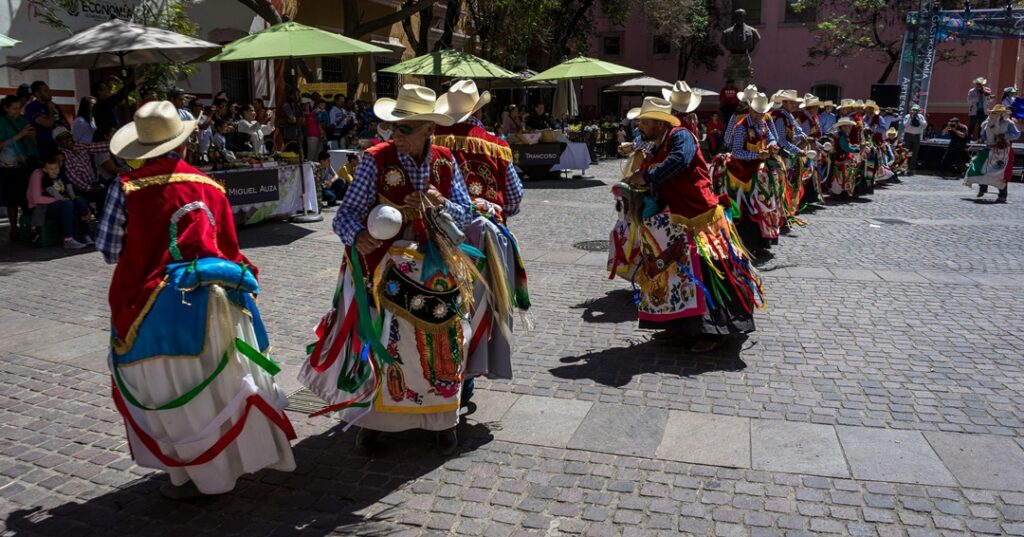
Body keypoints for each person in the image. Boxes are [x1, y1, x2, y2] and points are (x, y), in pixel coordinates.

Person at [95, 101, 296, 499]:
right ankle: (228, 465)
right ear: (183, 145)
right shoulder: (213, 186)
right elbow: (229, 247)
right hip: (218, 300)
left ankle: (186, 475)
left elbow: (109, 249)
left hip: (151, 305)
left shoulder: (127, 188)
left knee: (169, 386)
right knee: (220, 382)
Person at [299, 84, 475, 456]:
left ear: (430, 127)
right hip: (382, 272)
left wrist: (440, 204)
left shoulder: (445, 161)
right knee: (388, 345)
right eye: (394, 127)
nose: (395, 135)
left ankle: (442, 420)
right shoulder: (374, 160)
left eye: (405, 128)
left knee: (440, 343)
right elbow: (344, 215)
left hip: (435, 271)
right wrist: (359, 234)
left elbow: (467, 214)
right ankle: (376, 423)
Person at [612, 96, 763, 352]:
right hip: (675, 221)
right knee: (678, 275)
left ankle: (714, 332)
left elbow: (680, 162)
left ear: (659, 123)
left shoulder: (681, 136)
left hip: (699, 217)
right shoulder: (655, 144)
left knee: (708, 271)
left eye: (645, 122)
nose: (640, 126)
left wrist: (647, 176)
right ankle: (679, 327)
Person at [434, 80, 528, 403]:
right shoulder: (496, 144)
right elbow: (514, 199)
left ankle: (444, 377)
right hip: (488, 240)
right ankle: (468, 378)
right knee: (481, 307)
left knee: (445, 307)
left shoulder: (432, 138)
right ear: (481, 109)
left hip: (442, 235)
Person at [716, 92, 781, 252]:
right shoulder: (741, 127)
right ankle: (747, 239)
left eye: (762, 112)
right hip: (741, 170)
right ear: (751, 110)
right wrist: (756, 154)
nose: (760, 115)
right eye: (757, 111)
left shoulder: (763, 124)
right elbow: (736, 151)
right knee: (749, 202)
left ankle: (763, 237)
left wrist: (772, 145)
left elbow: (772, 137)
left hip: (758, 166)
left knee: (765, 195)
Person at [26, 154, 93, 248]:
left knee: (80, 201)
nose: (60, 164)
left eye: (61, 162)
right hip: (40, 207)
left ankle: (86, 235)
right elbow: (36, 198)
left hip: (58, 202)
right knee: (67, 204)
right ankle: (68, 240)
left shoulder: (60, 172)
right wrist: (60, 199)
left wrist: (73, 197)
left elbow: (68, 188)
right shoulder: (38, 174)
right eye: (58, 161)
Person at [1, 95, 38, 239]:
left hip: (26, 164)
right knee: (11, 200)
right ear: (6, 108)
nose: (17, 111)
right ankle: (13, 228)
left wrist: (31, 136)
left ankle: (28, 226)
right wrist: (20, 135)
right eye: (14, 109)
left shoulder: (23, 120)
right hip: (8, 166)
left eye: (19, 108)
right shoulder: (2, 122)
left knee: (27, 198)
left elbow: (33, 142)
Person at [968, 104, 1020, 202]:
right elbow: (983, 135)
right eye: (995, 113)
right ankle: (982, 188)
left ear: (1002, 114)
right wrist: (981, 139)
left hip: (1003, 151)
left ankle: (1002, 195)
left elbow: (1017, 134)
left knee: (1001, 172)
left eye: (999, 113)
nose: (997, 115)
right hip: (990, 148)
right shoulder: (987, 123)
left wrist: (1004, 136)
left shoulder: (1009, 123)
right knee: (983, 167)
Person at [52, 126, 111, 212]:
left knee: (115, 184)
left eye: (69, 136)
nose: (68, 139)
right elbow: (72, 178)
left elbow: (96, 147)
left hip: (95, 182)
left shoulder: (78, 146)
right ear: (57, 142)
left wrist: (115, 144)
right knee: (102, 197)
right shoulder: (61, 155)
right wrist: (90, 188)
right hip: (81, 189)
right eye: (64, 138)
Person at [23, 81, 68, 156]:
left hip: (60, 146)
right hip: (43, 147)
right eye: (46, 91)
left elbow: (67, 126)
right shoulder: (32, 107)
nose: (50, 92)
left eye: (49, 90)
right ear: (37, 93)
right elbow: (48, 124)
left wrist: (52, 120)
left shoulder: (55, 106)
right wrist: (51, 110)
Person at [829, 118, 861, 197]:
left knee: (842, 175)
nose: (849, 128)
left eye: (849, 126)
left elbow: (847, 146)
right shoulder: (841, 137)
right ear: (842, 127)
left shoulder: (842, 135)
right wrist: (857, 150)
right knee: (839, 175)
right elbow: (845, 148)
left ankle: (841, 191)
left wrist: (853, 147)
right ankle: (837, 192)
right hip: (839, 159)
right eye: (848, 126)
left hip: (840, 158)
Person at [901, 104, 926, 176]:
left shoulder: (921, 117)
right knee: (905, 152)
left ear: (918, 111)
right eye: (913, 110)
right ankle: (902, 168)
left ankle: (911, 169)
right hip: (908, 135)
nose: (915, 111)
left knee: (914, 153)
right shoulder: (907, 116)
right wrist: (910, 117)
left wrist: (918, 118)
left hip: (917, 136)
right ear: (911, 110)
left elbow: (924, 126)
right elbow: (905, 125)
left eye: (916, 110)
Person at [967, 77, 993, 141]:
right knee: (971, 125)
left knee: (981, 126)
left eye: (981, 84)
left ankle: (980, 139)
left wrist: (985, 94)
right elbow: (969, 100)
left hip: (983, 111)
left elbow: (990, 100)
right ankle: (968, 138)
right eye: (978, 84)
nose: (979, 85)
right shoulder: (972, 91)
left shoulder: (987, 90)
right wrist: (977, 97)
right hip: (974, 111)